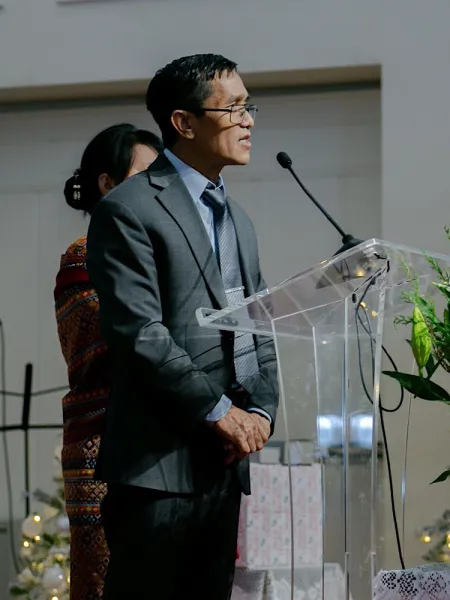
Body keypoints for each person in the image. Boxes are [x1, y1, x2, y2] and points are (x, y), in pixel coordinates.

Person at [86, 54, 279, 600]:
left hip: (223, 467)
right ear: (184, 122)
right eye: (233, 108)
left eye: (249, 106)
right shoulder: (129, 209)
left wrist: (261, 411)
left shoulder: (237, 218)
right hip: (158, 470)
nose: (248, 120)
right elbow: (139, 333)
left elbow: (259, 322)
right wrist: (220, 413)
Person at [54, 124, 163, 600]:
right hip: (103, 447)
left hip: (156, 448)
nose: (159, 188)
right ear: (107, 183)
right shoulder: (83, 255)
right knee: (105, 585)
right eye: (146, 175)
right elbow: (115, 340)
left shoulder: (157, 255)